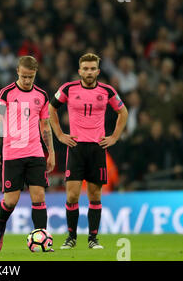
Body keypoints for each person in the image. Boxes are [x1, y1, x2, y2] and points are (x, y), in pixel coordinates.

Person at [49, 53, 128, 249]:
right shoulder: (68, 89)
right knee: (72, 196)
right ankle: (71, 238)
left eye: (92, 68)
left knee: (95, 196)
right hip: (75, 148)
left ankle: (93, 239)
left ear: (98, 71)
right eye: (85, 68)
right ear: (79, 71)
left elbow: (123, 112)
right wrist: (59, 134)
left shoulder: (107, 91)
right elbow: (51, 108)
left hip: (96, 149)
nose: (89, 72)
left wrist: (114, 137)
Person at [0, 56, 55, 252]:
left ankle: (41, 239)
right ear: (17, 71)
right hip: (12, 153)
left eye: (31, 77)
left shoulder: (42, 95)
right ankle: (0, 228)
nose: (27, 80)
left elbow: (45, 126)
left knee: (39, 196)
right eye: (24, 76)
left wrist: (50, 151)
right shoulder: (6, 93)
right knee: (11, 200)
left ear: (35, 74)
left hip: (35, 152)